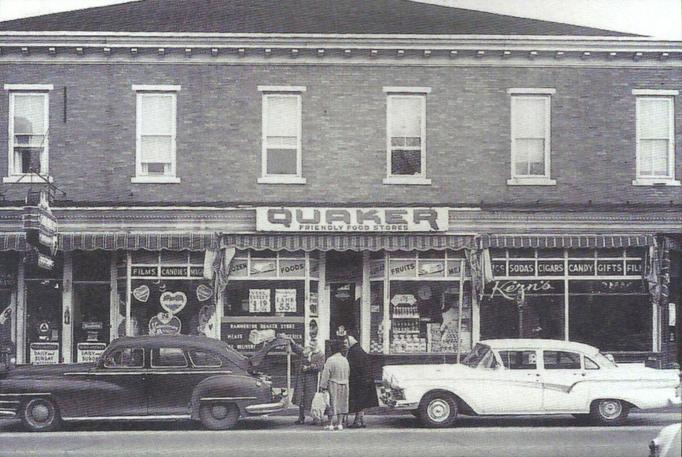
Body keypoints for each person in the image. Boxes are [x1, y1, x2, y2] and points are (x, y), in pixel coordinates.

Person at [345, 335, 379, 428]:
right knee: (361, 402)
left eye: (345, 343)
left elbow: (352, 367)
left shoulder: (353, 352)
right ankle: (360, 420)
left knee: (358, 402)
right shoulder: (359, 350)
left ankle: (357, 421)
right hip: (365, 380)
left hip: (359, 382)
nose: (345, 345)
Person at [289, 337, 325, 425]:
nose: (311, 346)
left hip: (311, 379)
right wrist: (291, 341)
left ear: (317, 345)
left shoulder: (320, 354)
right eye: (310, 344)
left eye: (313, 345)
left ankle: (315, 418)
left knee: (312, 398)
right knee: (301, 397)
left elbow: (319, 367)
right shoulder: (305, 351)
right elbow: (296, 349)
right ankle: (301, 417)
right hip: (302, 378)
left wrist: (309, 367)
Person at [319, 338, 350, 431]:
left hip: (333, 384)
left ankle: (331, 424)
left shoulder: (330, 360)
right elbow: (348, 372)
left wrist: (323, 386)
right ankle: (340, 424)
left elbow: (326, 374)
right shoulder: (345, 360)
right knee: (342, 404)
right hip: (344, 383)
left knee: (331, 403)